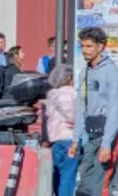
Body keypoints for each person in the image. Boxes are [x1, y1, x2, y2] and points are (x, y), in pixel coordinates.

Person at [71, 27, 118, 196]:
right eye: (83, 47)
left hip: (108, 134)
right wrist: (75, 139)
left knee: (99, 185)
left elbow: (116, 110)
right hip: (90, 134)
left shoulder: (112, 73)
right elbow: (81, 107)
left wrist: (106, 144)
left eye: (89, 46)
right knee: (85, 183)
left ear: (100, 47)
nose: (85, 51)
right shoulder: (85, 72)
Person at [46, 63, 79, 196]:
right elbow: (73, 116)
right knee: (68, 175)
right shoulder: (72, 93)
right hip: (69, 138)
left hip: (55, 139)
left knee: (56, 173)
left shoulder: (51, 94)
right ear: (69, 78)